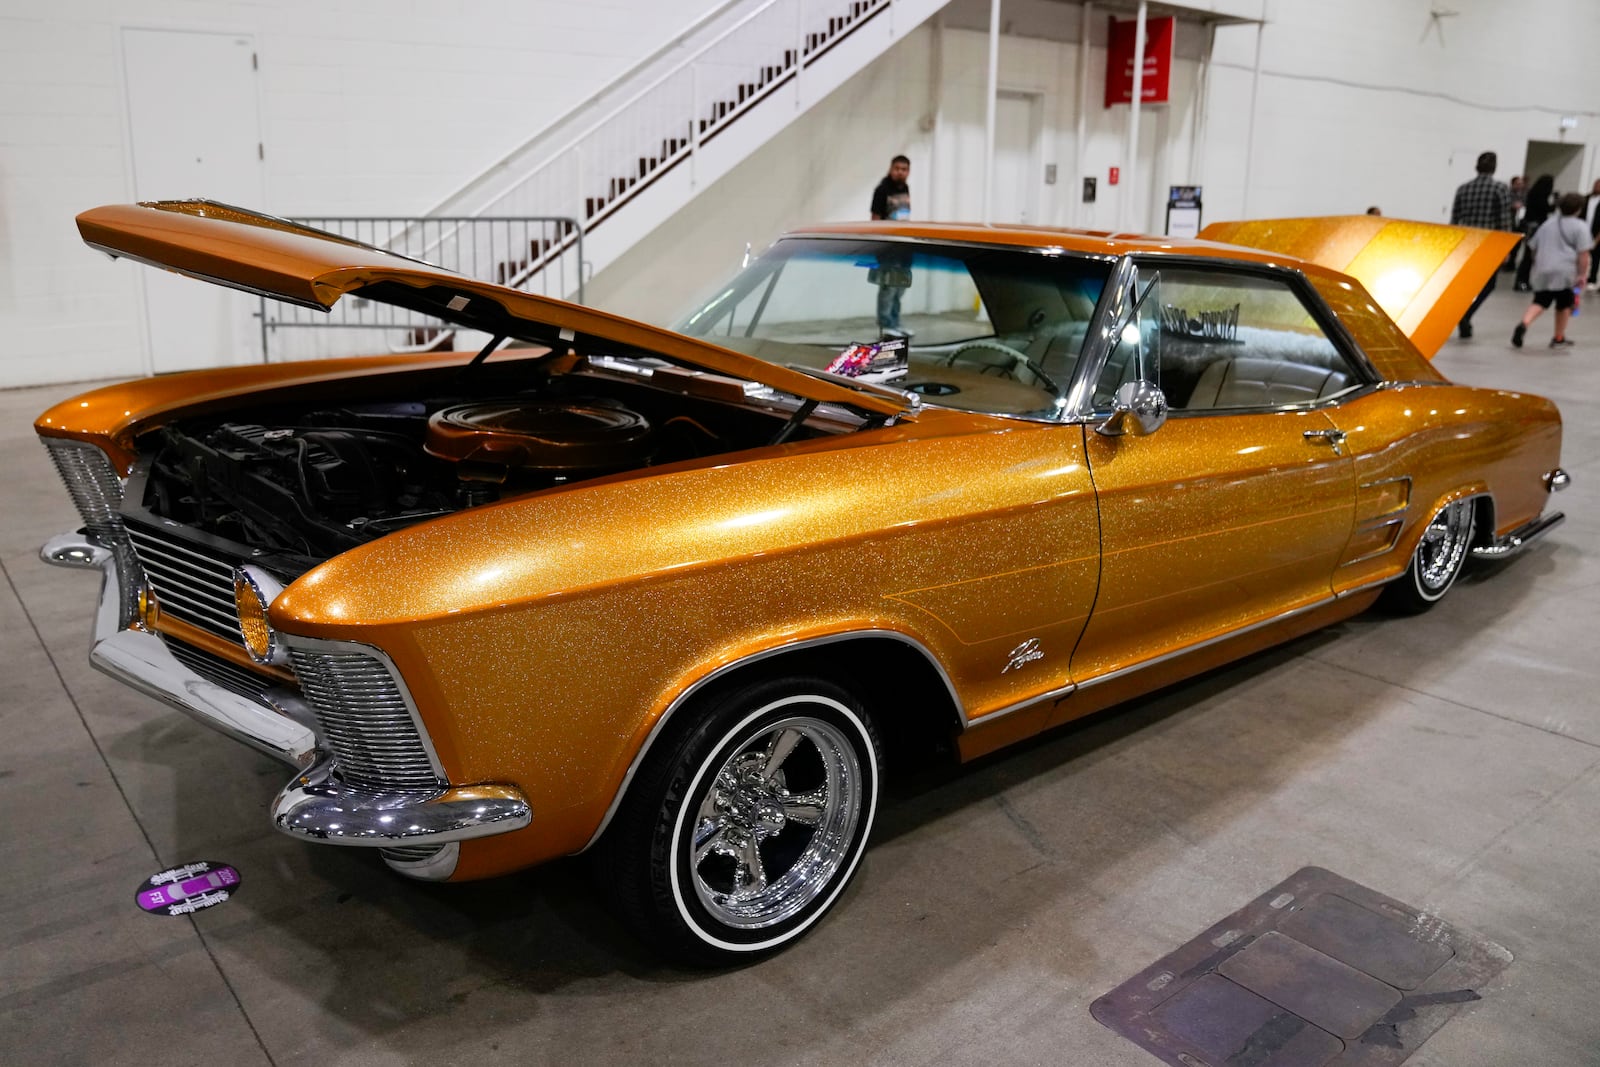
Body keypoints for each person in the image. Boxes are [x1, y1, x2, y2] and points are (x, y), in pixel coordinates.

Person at [1512, 192, 1591, 349]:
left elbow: (1533, 247)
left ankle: (1524, 323)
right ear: (1578, 209)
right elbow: (1583, 254)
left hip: (1543, 268)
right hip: (1565, 271)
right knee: (1564, 304)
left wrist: (1538, 263)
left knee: (1541, 300)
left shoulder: (1548, 224)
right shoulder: (1580, 227)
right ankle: (1558, 337)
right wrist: (1582, 274)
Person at [1450, 151, 1513, 339]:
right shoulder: (1500, 189)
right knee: (1488, 285)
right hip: (1488, 243)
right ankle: (1466, 315)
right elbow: (1504, 220)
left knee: (1467, 284)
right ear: (1494, 167)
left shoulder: (1463, 189)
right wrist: (1506, 248)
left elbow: (1455, 219)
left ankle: (1462, 314)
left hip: (1467, 242)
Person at [869, 155, 912, 335]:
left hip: (904, 246)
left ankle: (895, 323)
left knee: (900, 287)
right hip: (887, 247)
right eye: (897, 168)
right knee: (888, 287)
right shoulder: (882, 190)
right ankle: (885, 324)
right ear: (891, 168)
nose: (900, 172)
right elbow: (875, 219)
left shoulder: (906, 188)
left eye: (904, 169)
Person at [1515, 174, 1555, 290]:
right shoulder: (1541, 197)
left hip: (1530, 227)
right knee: (1529, 257)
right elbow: (1544, 210)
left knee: (1528, 256)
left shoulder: (1532, 193)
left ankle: (1523, 280)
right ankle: (1522, 281)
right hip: (1535, 229)